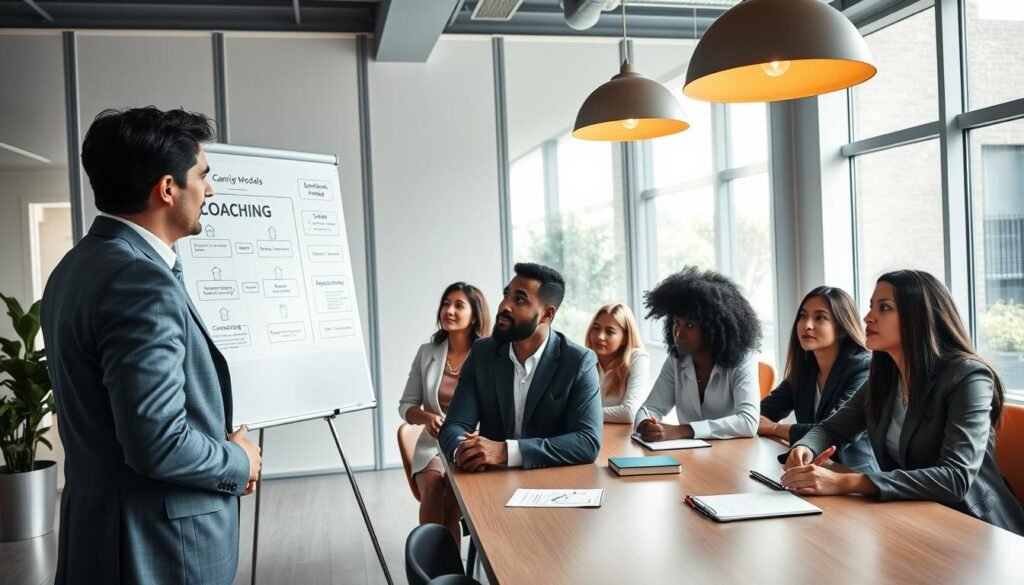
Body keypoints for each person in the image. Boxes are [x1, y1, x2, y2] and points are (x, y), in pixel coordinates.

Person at [41, 107, 262, 584]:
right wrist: (238, 459)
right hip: (158, 549)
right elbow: (157, 442)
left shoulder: (74, 268)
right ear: (167, 188)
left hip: (99, 534)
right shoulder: (140, 281)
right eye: (203, 176)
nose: (211, 190)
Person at [781, 270, 1024, 535]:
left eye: (884, 308)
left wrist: (846, 482)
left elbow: (955, 478)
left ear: (918, 317)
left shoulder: (968, 377)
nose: (867, 317)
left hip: (975, 528)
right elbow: (831, 429)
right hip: (912, 519)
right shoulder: (884, 377)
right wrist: (805, 448)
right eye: (871, 306)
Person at [438, 263, 602, 470]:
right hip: (491, 477)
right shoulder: (482, 353)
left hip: (550, 479)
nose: (505, 305)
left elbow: (587, 442)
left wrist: (506, 451)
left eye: (520, 299)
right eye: (506, 295)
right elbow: (454, 425)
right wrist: (464, 451)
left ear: (547, 315)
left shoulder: (579, 361)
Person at [398, 282, 491, 543]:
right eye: (445, 303)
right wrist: (427, 418)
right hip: (432, 445)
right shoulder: (427, 353)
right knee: (435, 486)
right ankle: (433, 565)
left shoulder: (487, 354)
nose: (448, 310)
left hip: (472, 444)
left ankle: (448, 567)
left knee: (453, 495)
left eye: (458, 305)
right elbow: (406, 406)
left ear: (475, 315)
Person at [758, 286, 878, 471]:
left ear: (842, 327)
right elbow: (761, 413)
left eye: (820, 318)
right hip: (812, 468)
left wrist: (774, 429)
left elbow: (831, 430)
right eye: (803, 316)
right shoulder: (806, 368)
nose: (807, 325)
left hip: (851, 473)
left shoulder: (863, 368)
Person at [635, 266, 760, 441]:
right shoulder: (676, 359)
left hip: (734, 456)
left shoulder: (743, 359)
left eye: (690, 325)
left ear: (714, 328)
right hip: (692, 456)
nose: (678, 334)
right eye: (676, 323)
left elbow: (748, 422)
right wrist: (646, 424)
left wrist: (681, 431)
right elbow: (650, 408)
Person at [584, 302, 650, 423]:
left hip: (623, 438)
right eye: (596, 328)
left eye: (609, 332)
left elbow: (630, 413)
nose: (600, 336)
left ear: (625, 338)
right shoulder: (585, 359)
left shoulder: (638, 358)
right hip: (591, 433)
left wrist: (581, 413)